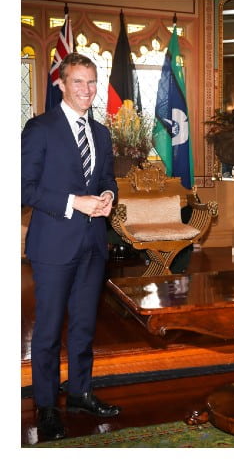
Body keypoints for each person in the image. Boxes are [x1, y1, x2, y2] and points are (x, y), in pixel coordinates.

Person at [23, 54, 120, 442]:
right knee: (46, 331)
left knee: (83, 326)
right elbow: (23, 187)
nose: (87, 90)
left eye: (92, 82)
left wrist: (109, 194)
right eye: (78, 82)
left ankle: (80, 392)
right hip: (53, 245)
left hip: (93, 243)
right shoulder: (39, 128)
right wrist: (73, 202)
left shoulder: (101, 133)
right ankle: (46, 406)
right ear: (61, 84)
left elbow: (107, 176)